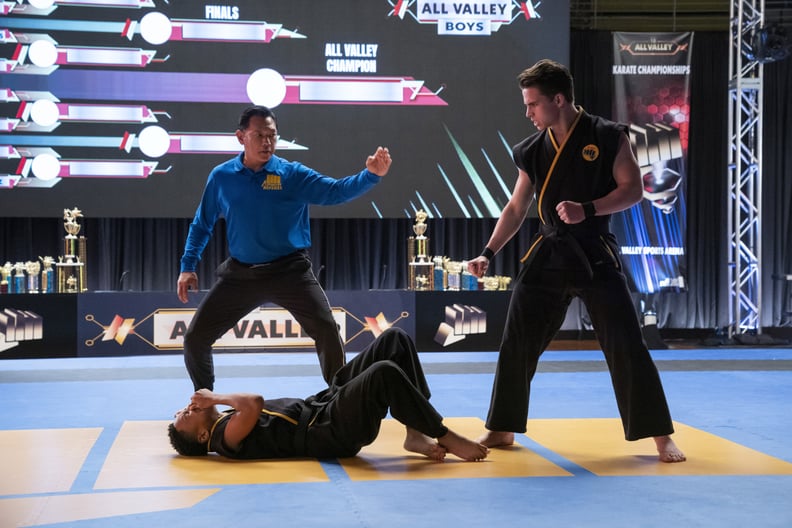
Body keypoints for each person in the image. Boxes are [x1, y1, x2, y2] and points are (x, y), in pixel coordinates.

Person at [466, 59, 685, 463]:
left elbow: (632, 190)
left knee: (626, 344)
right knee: (517, 341)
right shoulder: (532, 149)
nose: (527, 113)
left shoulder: (606, 135)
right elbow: (517, 207)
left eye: (533, 104)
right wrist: (487, 252)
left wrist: (589, 208)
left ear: (559, 99)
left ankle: (659, 435)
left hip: (593, 253)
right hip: (548, 254)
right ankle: (502, 426)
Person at [177, 105, 392, 391]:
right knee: (195, 338)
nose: (267, 142)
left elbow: (335, 192)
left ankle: (343, 400)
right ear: (241, 137)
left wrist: (371, 175)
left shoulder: (291, 174)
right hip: (241, 275)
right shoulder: (221, 177)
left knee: (327, 331)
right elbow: (202, 224)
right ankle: (205, 400)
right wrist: (187, 266)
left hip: (290, 272)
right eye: (259, 135)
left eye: (272, 136)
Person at [167, 328, 489, 462]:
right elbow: (254, 404)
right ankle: (444, 434)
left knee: (395, 339)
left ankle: (415, 434)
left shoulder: (220, 424)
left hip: (322, 405)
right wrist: (215, 396)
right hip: (329, 432)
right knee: (384, 372)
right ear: (202, 435)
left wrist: (213, 402)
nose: (188, 408)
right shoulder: (223, 440)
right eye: (186, 415)